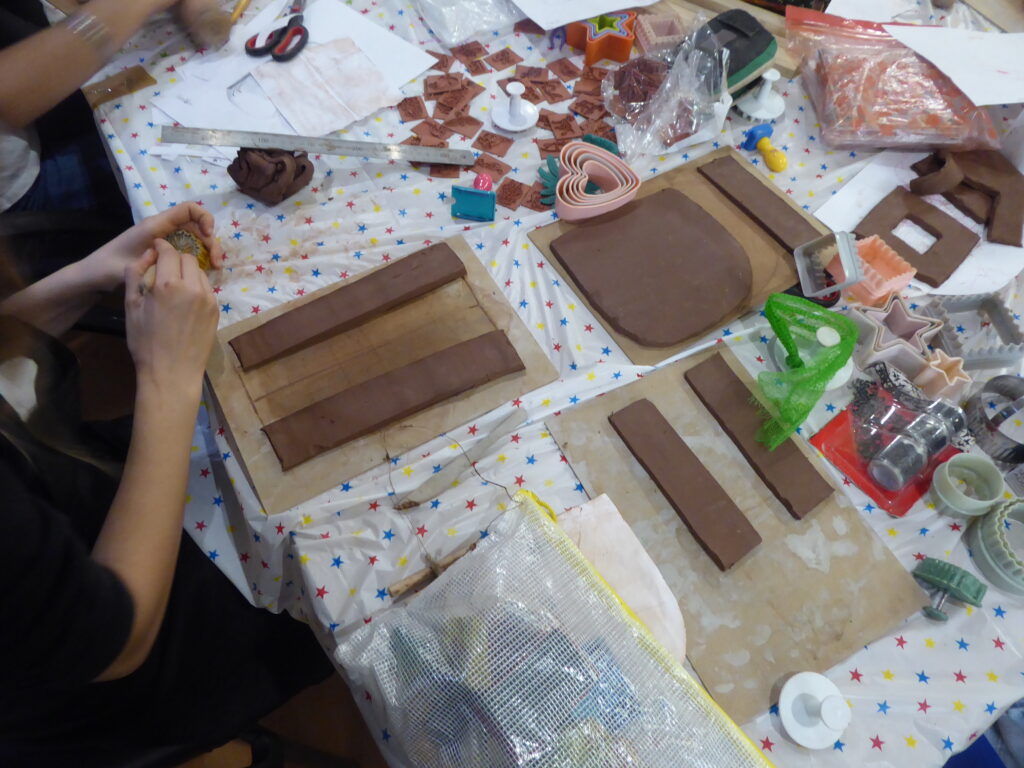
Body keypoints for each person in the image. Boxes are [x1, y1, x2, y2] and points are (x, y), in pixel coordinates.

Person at [0, 204, 334, 765]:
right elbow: (114, 638)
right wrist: (166, 377)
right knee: (322, 571)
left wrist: (87, 274)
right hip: (101, 666)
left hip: (71, 487)